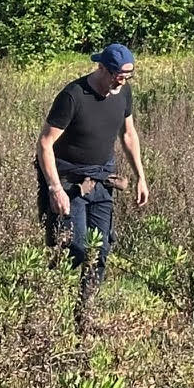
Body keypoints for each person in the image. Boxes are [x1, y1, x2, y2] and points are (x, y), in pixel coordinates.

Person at [36, 43, 150, 305]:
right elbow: (45, 143)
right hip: (70, 181)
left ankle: (84, 313)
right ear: (102, 68)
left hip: (102, 181)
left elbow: (128, 134)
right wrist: (55, 188)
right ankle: (48, 304)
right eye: (118, 75)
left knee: (99, 250)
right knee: (73, 247)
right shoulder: (73, 95)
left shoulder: (123, 93)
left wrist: (140, 177)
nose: (122, 81)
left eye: (127, 76)